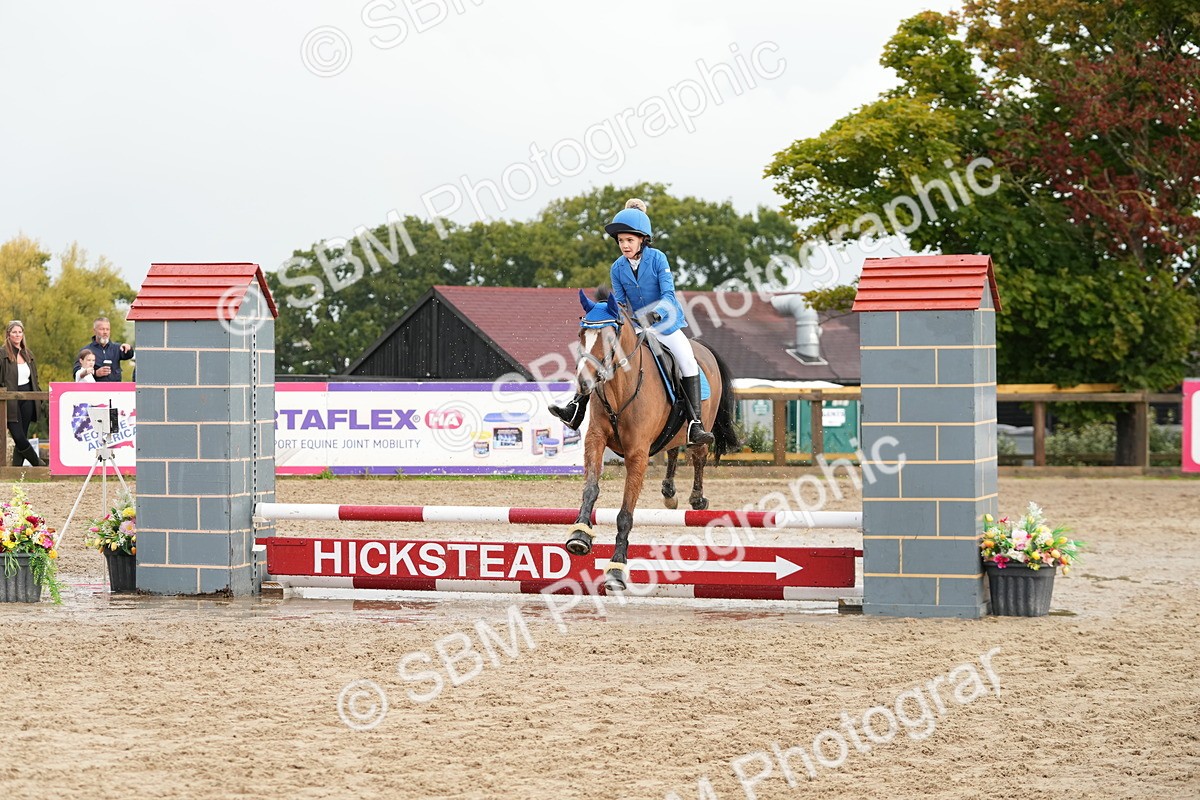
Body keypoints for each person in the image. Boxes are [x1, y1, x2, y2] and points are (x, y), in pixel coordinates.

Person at [550, 198, 714, 445]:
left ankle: (695, 424)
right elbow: (622, 304)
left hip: (665, 323)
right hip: (636, 325)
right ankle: (576, 408)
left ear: (642, 240)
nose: (624, 245)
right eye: (621, 241)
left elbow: (669, 295)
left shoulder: (658, 259)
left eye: (629, 240)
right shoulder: (617, 268)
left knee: (688, 362)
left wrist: (655, 314)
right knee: (599, 353)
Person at [1, 320, 43, 467]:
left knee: (22, 436)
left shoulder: (28, 353)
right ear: (8, 334)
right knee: (18, 436)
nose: (17, 335)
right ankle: (39, 465)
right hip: (10, 399)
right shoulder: (2, 354)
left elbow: (34, 378)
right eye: (14, 332)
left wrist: (38, 395)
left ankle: (16, 471)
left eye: (20, 332)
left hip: (28, 397)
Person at [77, 316, 134, 382]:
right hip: (95, 390)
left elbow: (130, 355)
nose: (105, 332)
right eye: (102, 329)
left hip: (115, 389)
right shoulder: (86, 350)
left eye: (107, 329)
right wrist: (96, 373)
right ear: (94, 331)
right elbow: (77, 372)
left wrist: (129, 348)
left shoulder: (117, 348)